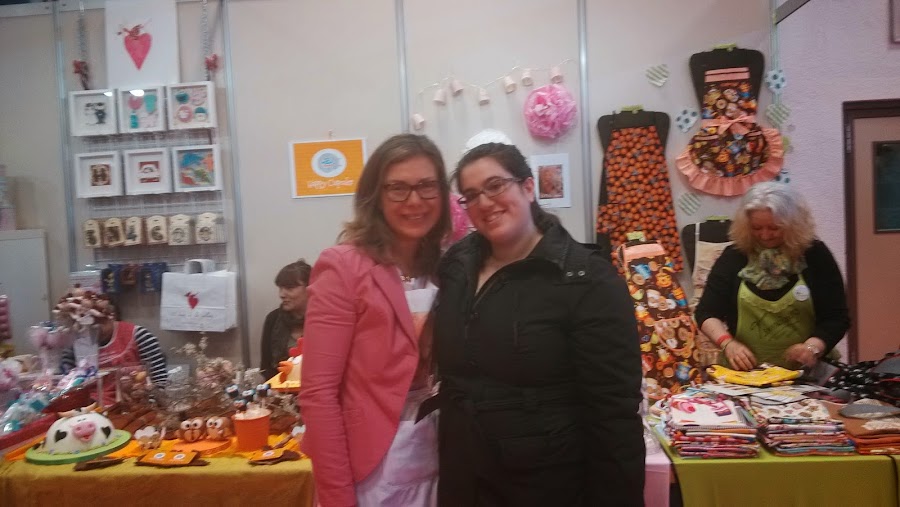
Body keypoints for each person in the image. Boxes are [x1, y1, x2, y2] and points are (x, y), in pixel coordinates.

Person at [433, 142, 645, 506]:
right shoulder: (457, 264)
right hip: (463, 475)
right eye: (471, 195)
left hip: (544, 483)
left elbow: (613, 414)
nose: (484, 202)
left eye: (495, 185)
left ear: (528, 187)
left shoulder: (585, 280)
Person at [299, 134, 451, 507]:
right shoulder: (343, 267)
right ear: (376, 196)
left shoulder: (446, 266)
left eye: (426, 186)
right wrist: (337, 498)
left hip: (439, 458)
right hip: (371, 471)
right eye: (397, 188)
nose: (414, 200)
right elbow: (319, 395)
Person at [695, 181, 851, 371]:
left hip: (808, 372)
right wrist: (728, 344)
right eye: (756, 228)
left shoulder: (815, 255)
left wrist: (812, 348)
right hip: (746, 373)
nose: (765, 235)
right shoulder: (734, 257)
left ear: (793, 224)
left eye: (774, 227)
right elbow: (707, 313)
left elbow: (836, 317)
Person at [60, 300, 168, 389]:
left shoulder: (140, 336)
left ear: (111, 316)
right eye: (86, 327)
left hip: (137, 402)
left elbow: (160, 383)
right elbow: (67, 383)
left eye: (98, 324)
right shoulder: (76, 345)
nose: (93, 331)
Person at [259, 259, 311, 379]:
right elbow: (266, 367)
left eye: (289, 288)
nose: (281, 294)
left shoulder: (325, 320)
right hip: (281, 387)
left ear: (309, 288)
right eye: (280, 288)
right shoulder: (273, 319)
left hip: (318, 387)